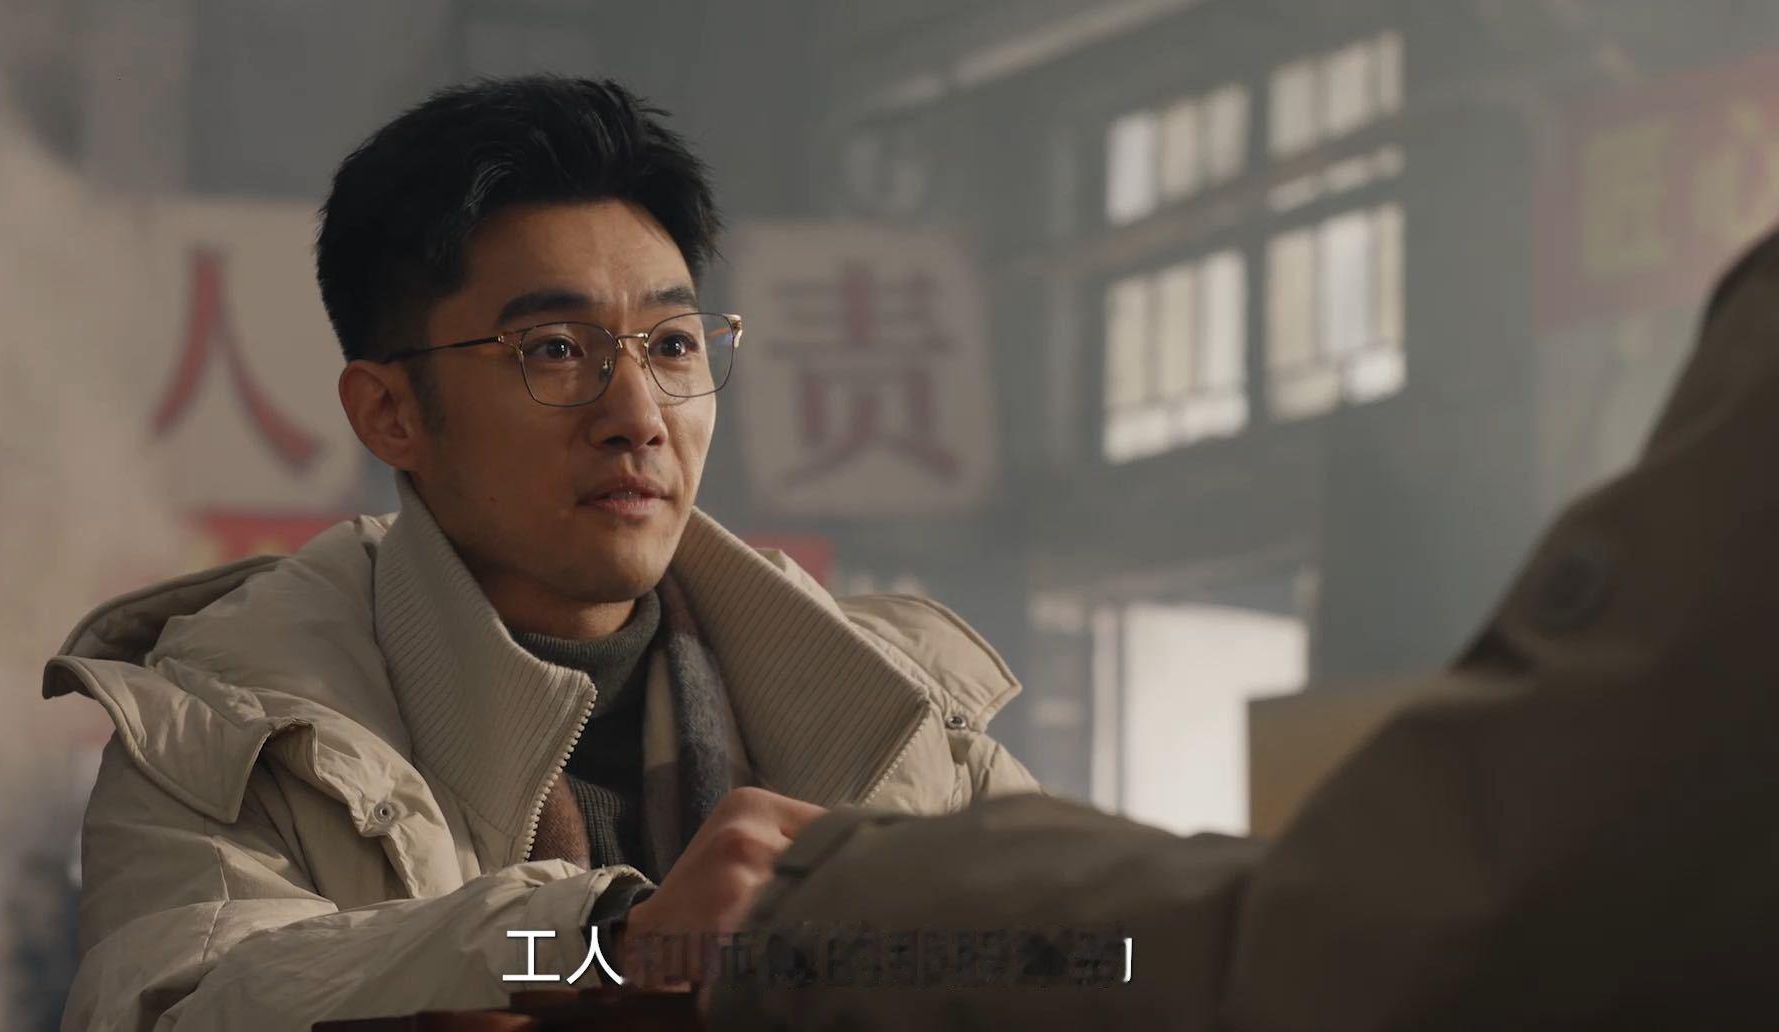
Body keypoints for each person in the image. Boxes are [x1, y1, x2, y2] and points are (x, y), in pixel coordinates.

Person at [43, 75, 1038, 1032]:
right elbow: (183, 1006)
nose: (639, 415)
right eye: (556, 349)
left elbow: (1093, 962)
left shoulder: (898, 717)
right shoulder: (226, 733)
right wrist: (603, 947)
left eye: (674, 345)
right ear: (389, 413)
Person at [708, 227, 1779, 1030]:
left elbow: (1416, 949)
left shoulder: (916, 738)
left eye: (676, 343)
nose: (637, 414)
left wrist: (836, 910)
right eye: (585, 346)